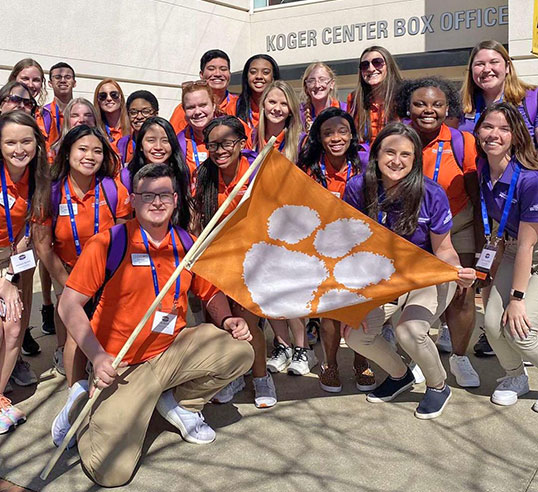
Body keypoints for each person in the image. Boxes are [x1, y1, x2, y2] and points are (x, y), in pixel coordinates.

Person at [54, 163, 254, 486]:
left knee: (240, 351)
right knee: (109, 473)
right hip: (122, 366)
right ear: (133, 200)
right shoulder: (110, 243)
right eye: (148, 195)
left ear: (175, 199)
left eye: (164, 194)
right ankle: (89, 414)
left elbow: (210, 291)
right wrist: (96, 356)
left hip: (171, 351)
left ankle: (179, 403)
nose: (157, 202)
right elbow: (68, 304)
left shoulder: (186, 243)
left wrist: (227, 318)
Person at [343, 122, 476, 419]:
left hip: (426, 275)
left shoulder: (431, 193)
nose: (397, 160)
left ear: (415, 159)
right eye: (390, 152)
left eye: (406, 154)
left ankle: (438, 386)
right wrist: (352, 300)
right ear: (376, 154)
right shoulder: (357, 189)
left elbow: (443, 249)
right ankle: (400, 375)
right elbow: (349, 249)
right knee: (355, 335)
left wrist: (457, 270)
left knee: (410, 329)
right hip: (379, 278)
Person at [397, 77, 482, 388]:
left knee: (461, 294)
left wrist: (479, 235)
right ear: (408, 106)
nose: (428, 110)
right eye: (420, 104)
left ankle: (460, 357)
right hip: (412, 229)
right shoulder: (400, 139)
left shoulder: (463, 142)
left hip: (456, 225)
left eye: (436, 104)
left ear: (448, 108)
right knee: (412, 297)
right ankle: (420, 356)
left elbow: (475, 193)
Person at [33, 125, 131, 383]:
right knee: (76, 337)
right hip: (67, 272)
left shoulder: (114, 190)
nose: (90, 156)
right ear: (67, 153)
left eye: (97, 151)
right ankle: (74, 391)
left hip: (107, 277)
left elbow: (122, 240)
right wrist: (69, 285)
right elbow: (43, 245)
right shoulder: (50, 193)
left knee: (105, 332)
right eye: (83, 149)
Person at [194, 115, 277, 407]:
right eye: (213, 144)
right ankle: (230, 376)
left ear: (242, 143)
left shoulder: (257, 171)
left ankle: (261, 377)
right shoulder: (204, 175)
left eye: (227, 143)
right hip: (216, 261)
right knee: (219, 324)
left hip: (255, 261)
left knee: (248, 322)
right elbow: (198, 221)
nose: (220, 150)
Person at [298, 107, 373, 392]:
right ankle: (330, 363)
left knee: (359, 309)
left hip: (361, 247)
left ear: (352, 135)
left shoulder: (365, 163)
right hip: (323, 249)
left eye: (342, 131)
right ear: (319, 137)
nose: (336, 138)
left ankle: (360, 361)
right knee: (329, 311)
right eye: (328, 132)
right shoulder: (309, 168)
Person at [474, 102, 538, 409]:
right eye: (488, 126)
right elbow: (502, 232)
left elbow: (528, 245)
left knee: (520, 330)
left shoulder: (530, 178)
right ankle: (516, 376)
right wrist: (487, 273)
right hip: (512, 248)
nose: (494, 134)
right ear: (478, 131)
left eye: (503, 129)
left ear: (515, 136)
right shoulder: (484, 169)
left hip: (533, 253)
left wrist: (516, 298)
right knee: (491, 323)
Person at [0, 111, 50, 432]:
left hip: (11, 256)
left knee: (15, 326)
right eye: (10, 142)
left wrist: (8, 277)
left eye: (26, 141)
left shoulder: (38, 178)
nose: (19, 148)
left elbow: (25, 233)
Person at [460, 40, 538, 141]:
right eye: (480, 64)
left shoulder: (533, 98)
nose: (487, 69)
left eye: (494, 62)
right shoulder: (460, 104)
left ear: (507, 67)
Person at [170, 49, 238, 133]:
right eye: (211, 69)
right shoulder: (186, 109)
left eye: (223, 69)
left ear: (229, 74)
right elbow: (174, 141)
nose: (218, 74)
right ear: (201, 75)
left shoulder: (240, 104)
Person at [347, 46, 402, 144]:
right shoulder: (354, 99)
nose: (371, 69)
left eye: (377, 62)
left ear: (389, 66)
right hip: (366, 158)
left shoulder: (404, 96)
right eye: (365, 65)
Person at [126, 117, 189, 200]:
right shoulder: (127, 176)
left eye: (165, 141)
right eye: (151, 140)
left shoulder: (181, 172)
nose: (158, 147)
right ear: (141, 145)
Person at [236, 54, 280, 129]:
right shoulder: (234, 105)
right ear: (246, 77)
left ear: (273, 77)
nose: (259, 76)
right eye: (253, 72)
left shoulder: (283, 107)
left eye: (265, 72)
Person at [300, 62, 346, 132]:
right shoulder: (298, 113)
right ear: (306, 86)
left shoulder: (346, 109)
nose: (317, 85)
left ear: (332, 84)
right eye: (312, 81)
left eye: (322, 80)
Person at [117, 90, 158, 166]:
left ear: (156, 114)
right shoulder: (123, 144)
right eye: (133, 112)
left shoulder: (164, 143)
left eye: (145, 112)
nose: (139, 117)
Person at [44, 62, 77, 146]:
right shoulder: (44, 113)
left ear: (74, 83)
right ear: (50, 83)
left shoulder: (83, 114)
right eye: (58, 77)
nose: (63, 80)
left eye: (68, 77)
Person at [93, 79, 129, 148]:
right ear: (97, 100)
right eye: (103, 96)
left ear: (121, 97)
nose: (109, 99)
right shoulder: (94, 130)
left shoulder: (132, 127)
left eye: (114, 94)